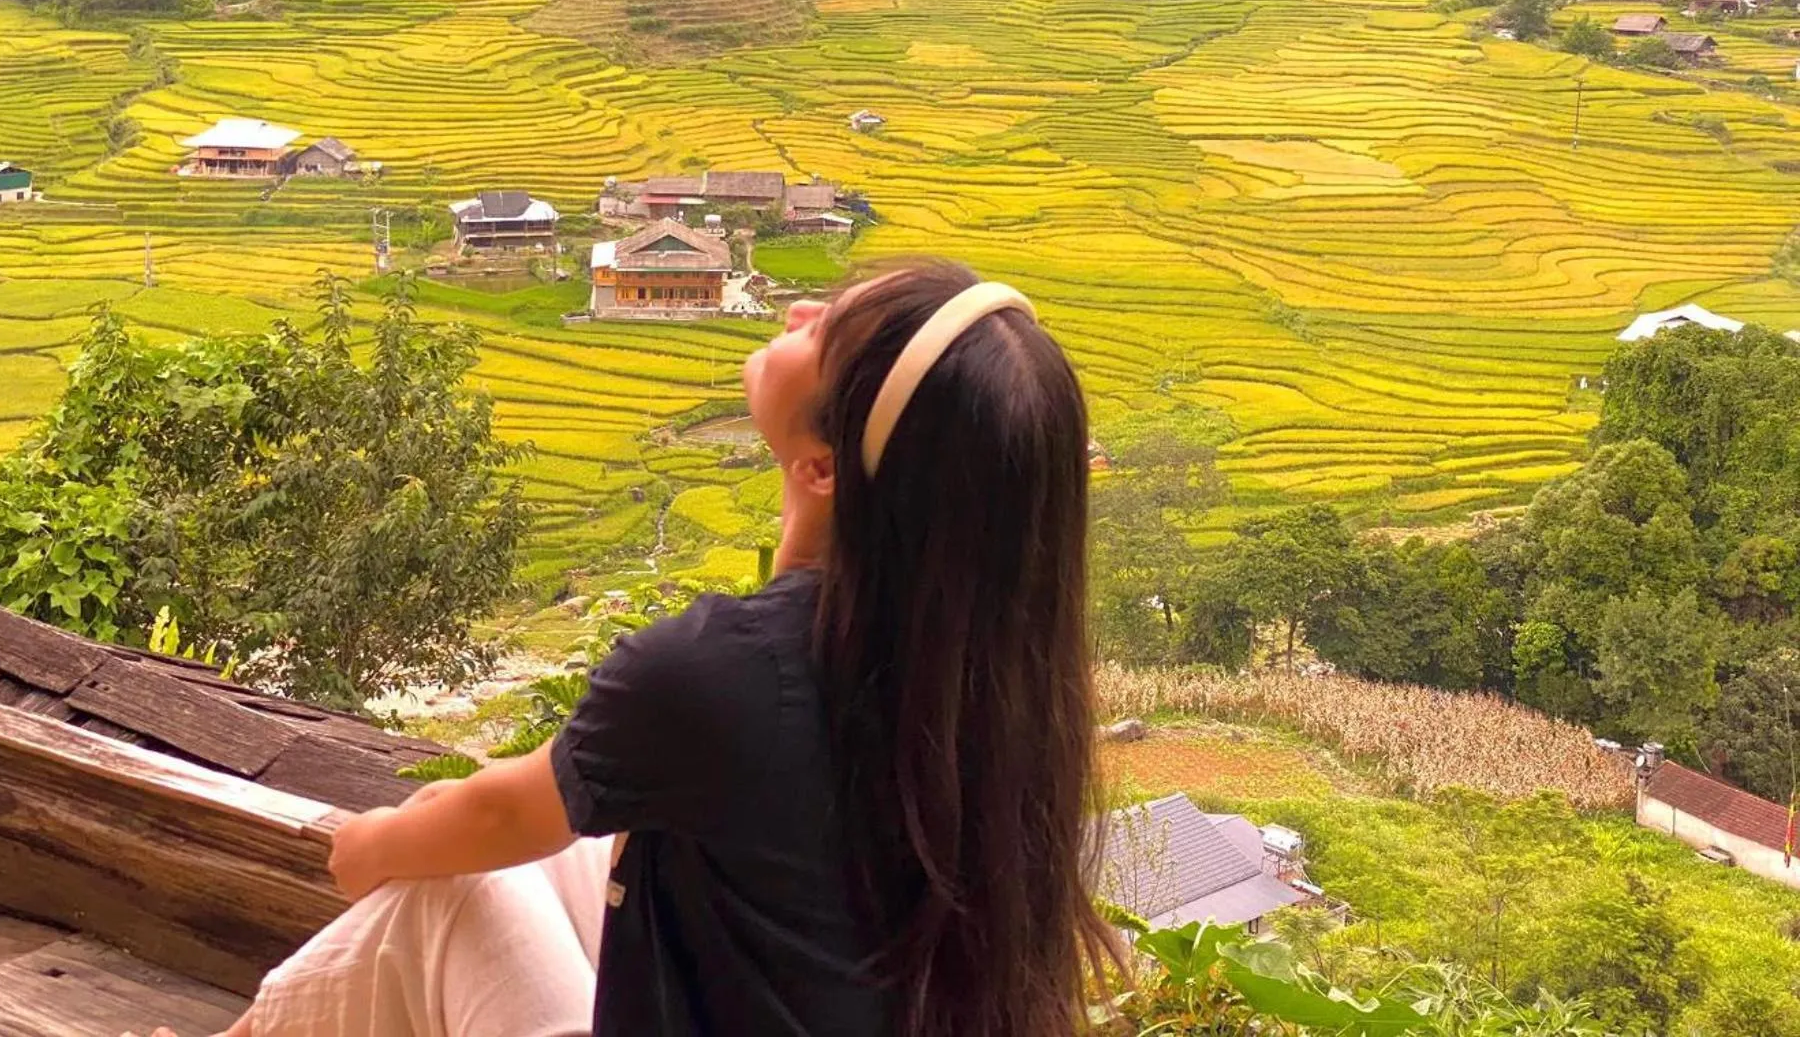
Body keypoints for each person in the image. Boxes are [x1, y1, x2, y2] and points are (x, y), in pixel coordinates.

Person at [174, 260, 1112, 1037]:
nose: (798, 310)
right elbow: (541, 798)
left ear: (822, 468)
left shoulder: (717, 672)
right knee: (561, 844)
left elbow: (498, 819)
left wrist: (365, 843)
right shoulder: (994, 678)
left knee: (448, 893)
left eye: (824, 332)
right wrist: (466, 806)